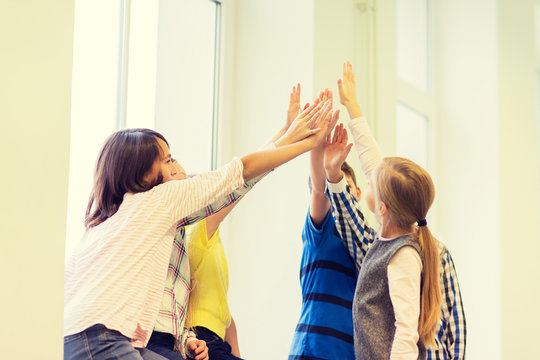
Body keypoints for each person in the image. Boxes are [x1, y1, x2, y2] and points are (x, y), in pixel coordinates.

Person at [63, 98, 337, 360]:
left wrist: (286, 135)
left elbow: (234, 183)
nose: (177, 167)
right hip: (103, 337)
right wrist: (306, 143)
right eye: (168, 160)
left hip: (70, 339)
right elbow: (238, 174)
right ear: (142, 173)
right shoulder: (157, 201)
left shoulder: (103, 227)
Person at [325, 61, 466, 359]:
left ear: (383, 207)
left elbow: (409, 330)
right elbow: (374, 163)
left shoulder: (407, 254)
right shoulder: (390, 238)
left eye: (372, 182)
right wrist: (353, 107)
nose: (369, 175)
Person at [288, 87, 358, 360]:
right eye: (335, 189)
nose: (339, 197)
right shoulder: (323, 231)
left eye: (345, 188)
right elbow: (320, 190)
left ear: (359, 194)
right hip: (313, 350)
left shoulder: (369, 240)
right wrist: (319, 144)